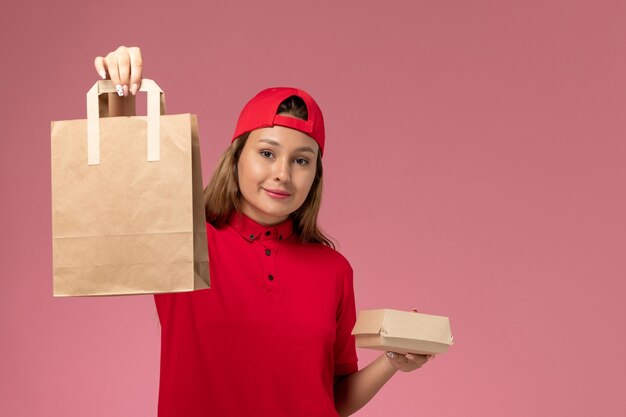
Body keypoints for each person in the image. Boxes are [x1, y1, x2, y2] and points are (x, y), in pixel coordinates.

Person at [94, 45, 434, 417]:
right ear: (236, 156)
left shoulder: (334, 270)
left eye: (301, 160)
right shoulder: (185, 240)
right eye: (267, 153)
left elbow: (334, 397)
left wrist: (392, 360)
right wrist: (119, 92)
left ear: (315, 175)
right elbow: (121, 186)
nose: (283, 174)